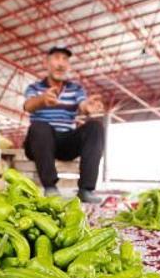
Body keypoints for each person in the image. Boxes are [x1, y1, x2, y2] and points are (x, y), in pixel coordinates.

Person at [22, 45, 105, 203]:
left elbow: (83, 105)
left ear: (68, 65)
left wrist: (88, 107)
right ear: (47, 63)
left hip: (65, 142)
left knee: (95, 127)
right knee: (39, 126)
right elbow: (28, 106)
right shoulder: (35, 88)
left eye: (65, 59)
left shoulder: (76, 89)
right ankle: (50, 187)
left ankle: (86, 189)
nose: (60, 63)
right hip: (41, 143)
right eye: (56, 58)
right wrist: (42, 100)